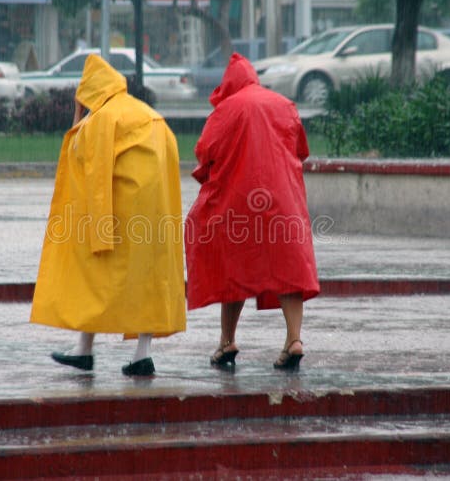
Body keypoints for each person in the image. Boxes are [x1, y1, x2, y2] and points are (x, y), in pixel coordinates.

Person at [30, 53, 186, 377]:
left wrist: (77, 113)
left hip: (121, 212)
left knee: (94, 276)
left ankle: (84, 350)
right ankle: (141, 353)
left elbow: (82, 159)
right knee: (149, 280)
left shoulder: (102, 118)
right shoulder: (147, 113)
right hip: (157, 212)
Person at [185, 52, 319, 371]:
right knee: (288, 269)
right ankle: (294, 339)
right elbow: (300, 149)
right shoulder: (284, 105)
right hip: (282, 200)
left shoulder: (225, 110)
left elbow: (205, 153)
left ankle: (227, 341)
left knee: (234, 269)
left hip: (238, 201)